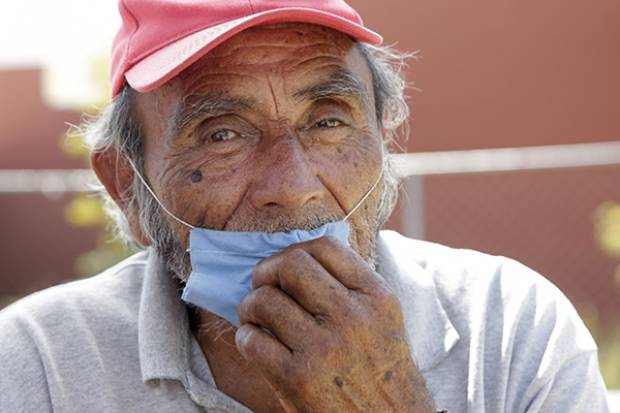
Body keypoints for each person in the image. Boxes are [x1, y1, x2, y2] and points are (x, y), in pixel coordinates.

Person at [0, 1, 611, 412]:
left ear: (385, 140)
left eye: (327, 121)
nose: (294, 187)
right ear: (127, 188)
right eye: (223, 133)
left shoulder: (507, 330)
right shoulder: (37, 364)